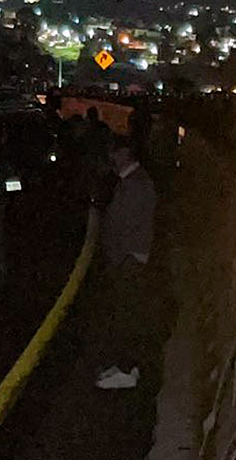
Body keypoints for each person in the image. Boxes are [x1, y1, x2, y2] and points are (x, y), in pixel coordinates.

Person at [93, 146, 160, 390]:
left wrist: (119, 257)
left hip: (130, 259)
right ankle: (125, 365)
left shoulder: (134, 186)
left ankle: (128, 370)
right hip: (130, 258)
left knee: (127, 316)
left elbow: (126, 226)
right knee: (125, 314)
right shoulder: (132, 182)